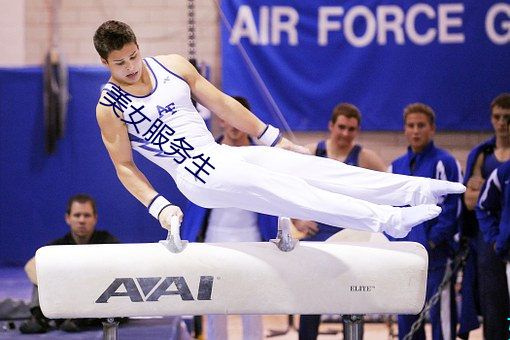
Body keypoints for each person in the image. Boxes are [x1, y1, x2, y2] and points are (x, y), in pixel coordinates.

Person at [93, 20, 464, 248]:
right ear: (105, 63)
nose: (130, 68)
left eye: (133, 56)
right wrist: (159, 206)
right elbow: (124, 167)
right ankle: (387, 221)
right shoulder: (109, 106)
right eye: (119, 63)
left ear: (139, 46)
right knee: (294, 193)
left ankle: (413, 189)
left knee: (314, 169)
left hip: (223, 155)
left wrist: (273, 138)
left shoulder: (172, 66)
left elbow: (223, 103)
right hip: (196, 174)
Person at [181, 96, 278, 340]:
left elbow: (275, 199)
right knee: (215, 305)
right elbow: (192, 197)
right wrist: (187, 238)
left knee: (253, 306)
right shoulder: (205, 153)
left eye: (239, 120)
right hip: (214, 238)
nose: (235, 126)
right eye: (229, 119)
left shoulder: (262, 159)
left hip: (254, 239)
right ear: (221, 120)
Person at [295, 102, 386, 340]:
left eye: (351, 129)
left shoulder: (365, 158)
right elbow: (285, 189)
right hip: (317, 235)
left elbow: (389, 192)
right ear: (331, 126)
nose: (345, 134)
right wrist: (297, 219)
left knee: (353, 300)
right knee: (310, 302)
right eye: (341, 127)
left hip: (351, 239)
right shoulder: (311, 152)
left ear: (357, 131)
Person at [387, 103, 462, 340]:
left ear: (432, 129)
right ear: (405, 130)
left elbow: (452, 209)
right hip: (405, 259)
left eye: (421, 125)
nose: (416, 131)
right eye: (411, 126)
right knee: (407, 321)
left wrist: (432, 241)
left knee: (442, 320)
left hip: (436, 257)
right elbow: (388, 209)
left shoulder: (445, 163)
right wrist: (395, 243)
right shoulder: (395, 167)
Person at [19, 194, 120, 334]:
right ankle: (38, 318)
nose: (82, 220)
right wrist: (60, 283)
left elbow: (118, 270)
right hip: (65, 298)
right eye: (77, 215)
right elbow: (30, 266)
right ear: (68, 218)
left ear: (95, 218)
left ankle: (80, 319)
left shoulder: (108, 242)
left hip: (96, 301)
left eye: (87, 215)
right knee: (42, 270)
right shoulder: (57, 246)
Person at [460, 93, 510, 340]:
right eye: (497, 117)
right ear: (491, 119)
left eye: (507, 118)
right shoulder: (482, 154)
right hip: (489, 238)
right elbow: (469, 202)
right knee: (493, 304)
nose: (502, 123)